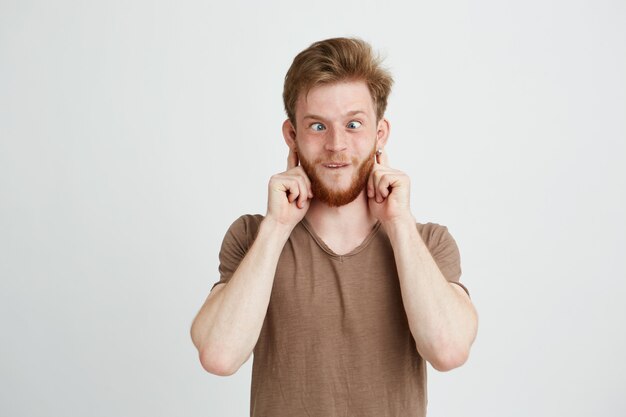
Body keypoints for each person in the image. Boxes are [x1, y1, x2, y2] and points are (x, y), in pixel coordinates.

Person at [190, 37, 478, 417]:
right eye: (317, 126)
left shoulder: (425, 241)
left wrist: (399, 224)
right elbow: (219, 356)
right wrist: (277, 227)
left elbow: (449, 351)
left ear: (380, 135)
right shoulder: (252, 237)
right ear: (292, 136)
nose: (336, 144)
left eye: (354, 124)